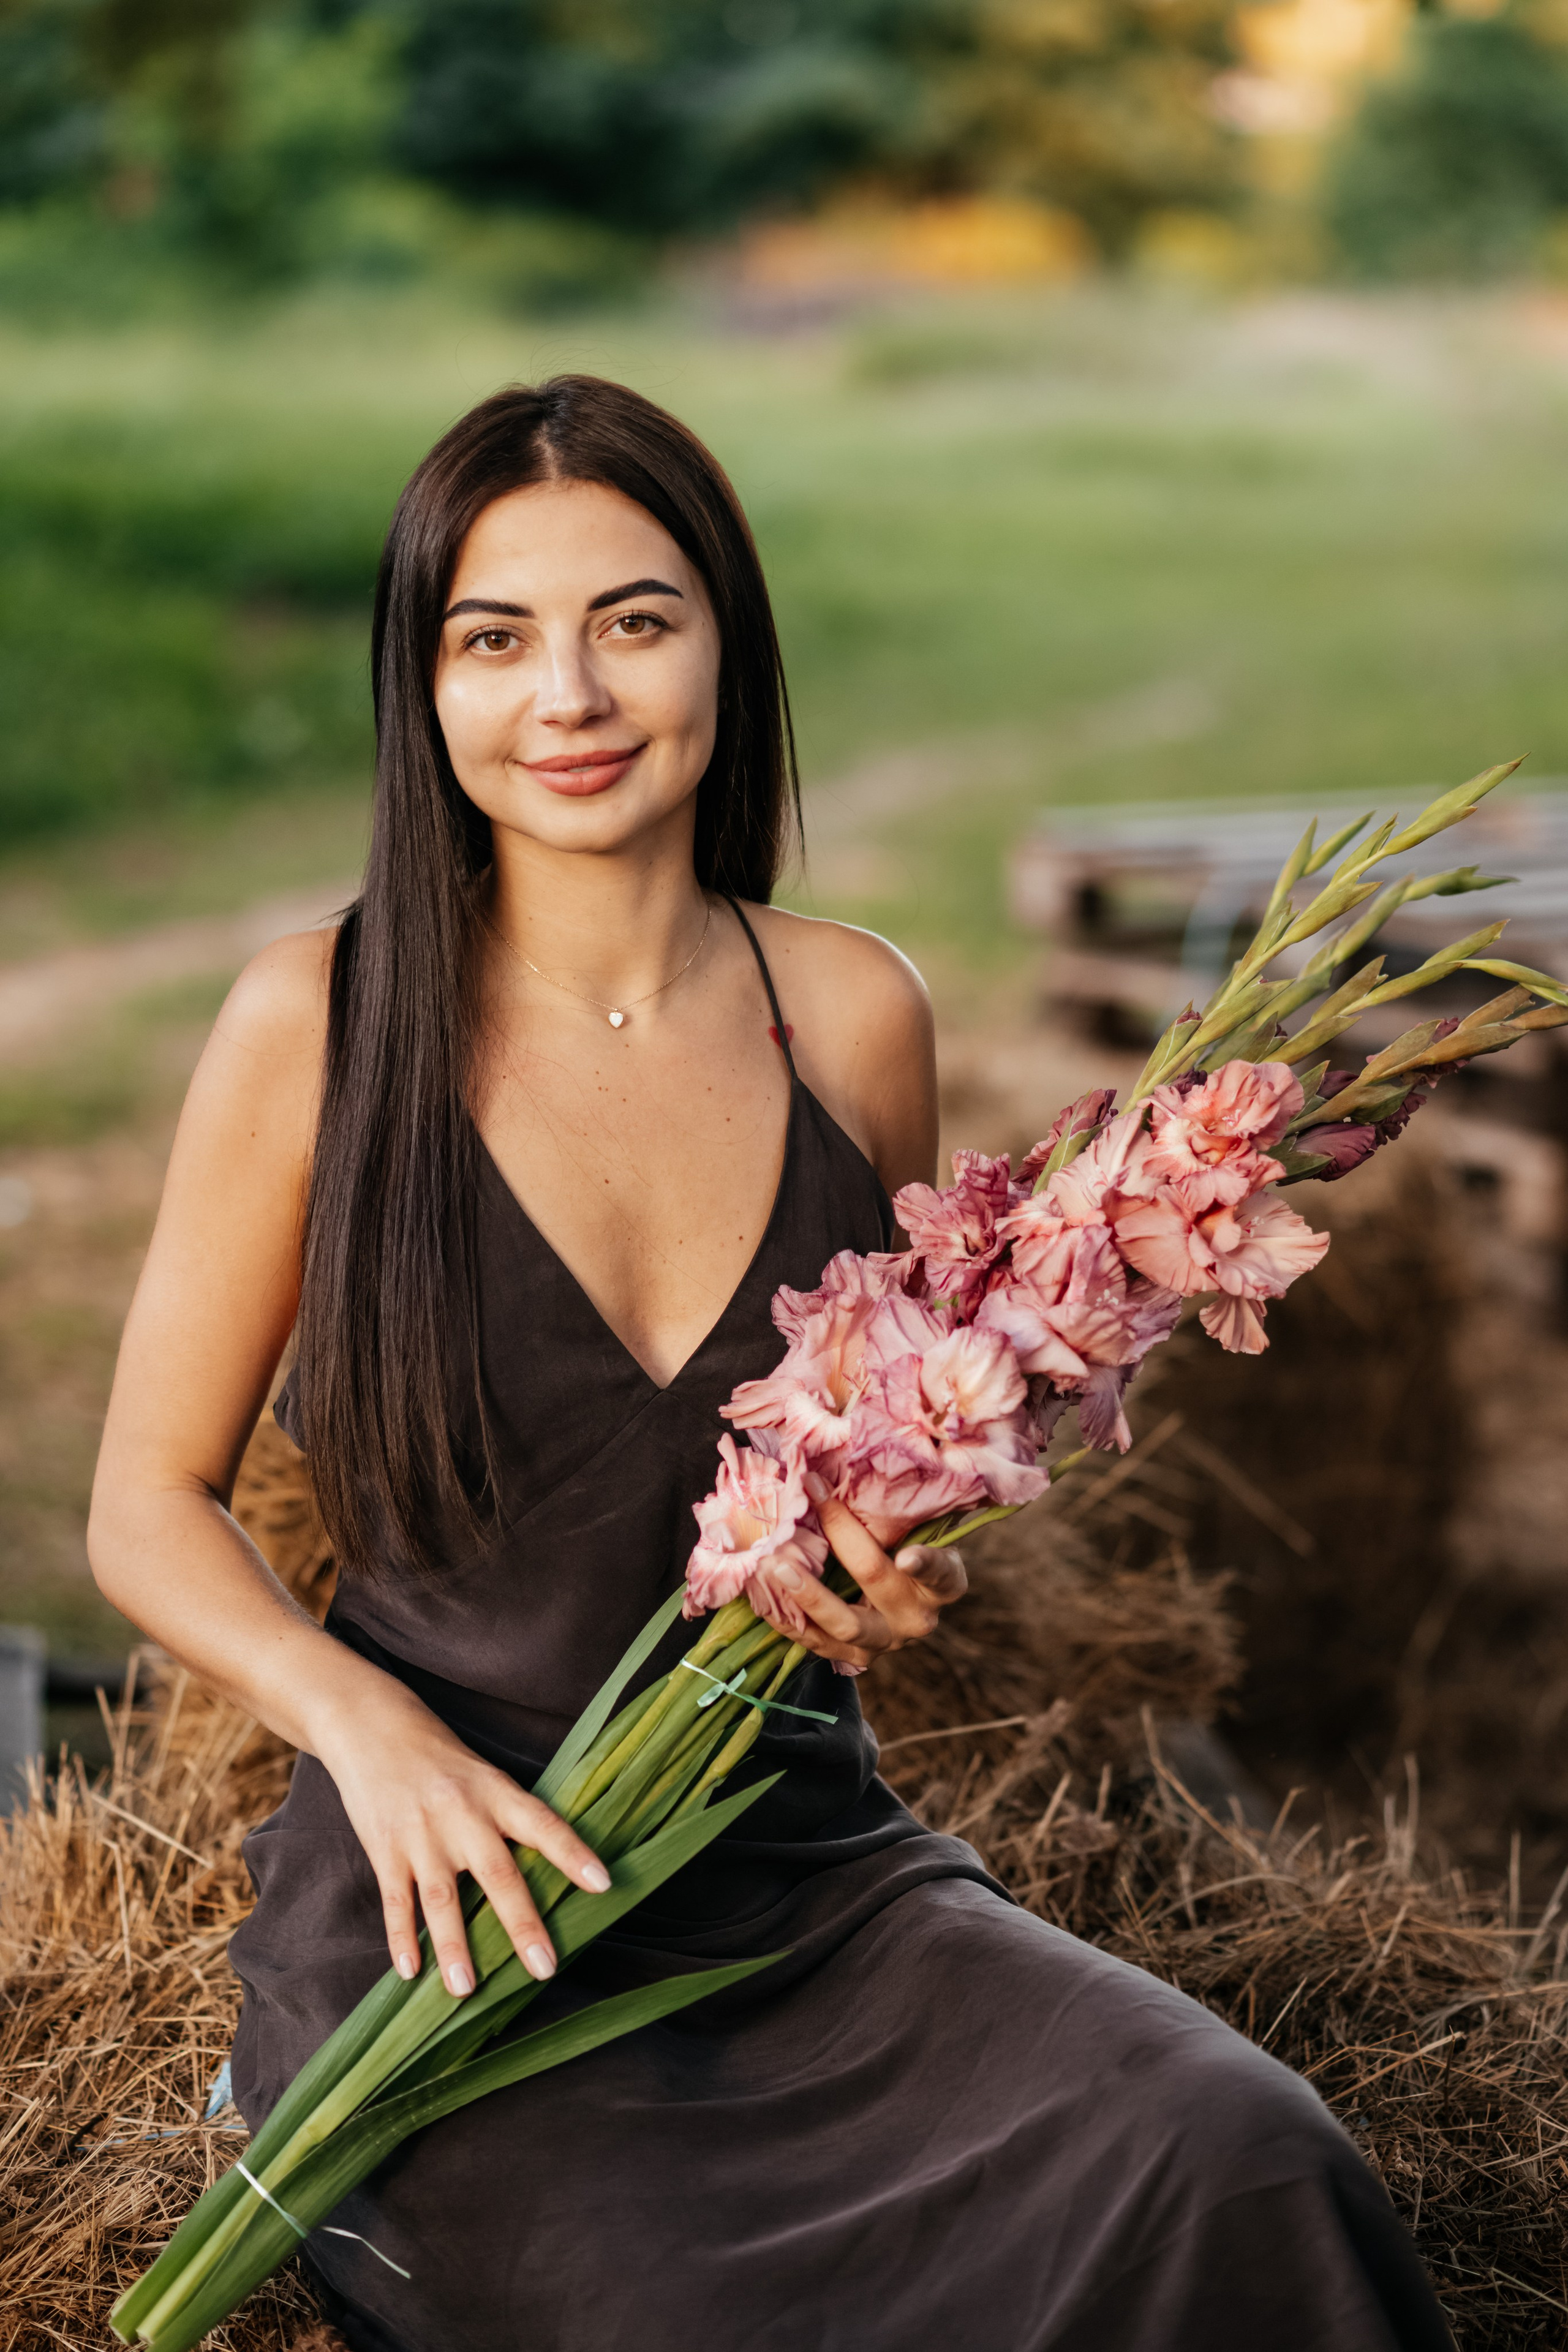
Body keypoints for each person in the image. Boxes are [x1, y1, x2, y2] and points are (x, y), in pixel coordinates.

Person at [89, 376, 1451, 2352]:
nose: (570, 694)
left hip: (804, 1874)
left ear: (727, 637)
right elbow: (141, 1502)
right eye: (495, 638)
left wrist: (885, 1574)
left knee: (1253, 2152)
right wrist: (361, 1729)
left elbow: (881, 1446)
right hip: (452, 1925)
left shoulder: (851, 1014)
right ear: (426, 685)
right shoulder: (316, 1016)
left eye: (634, 621)